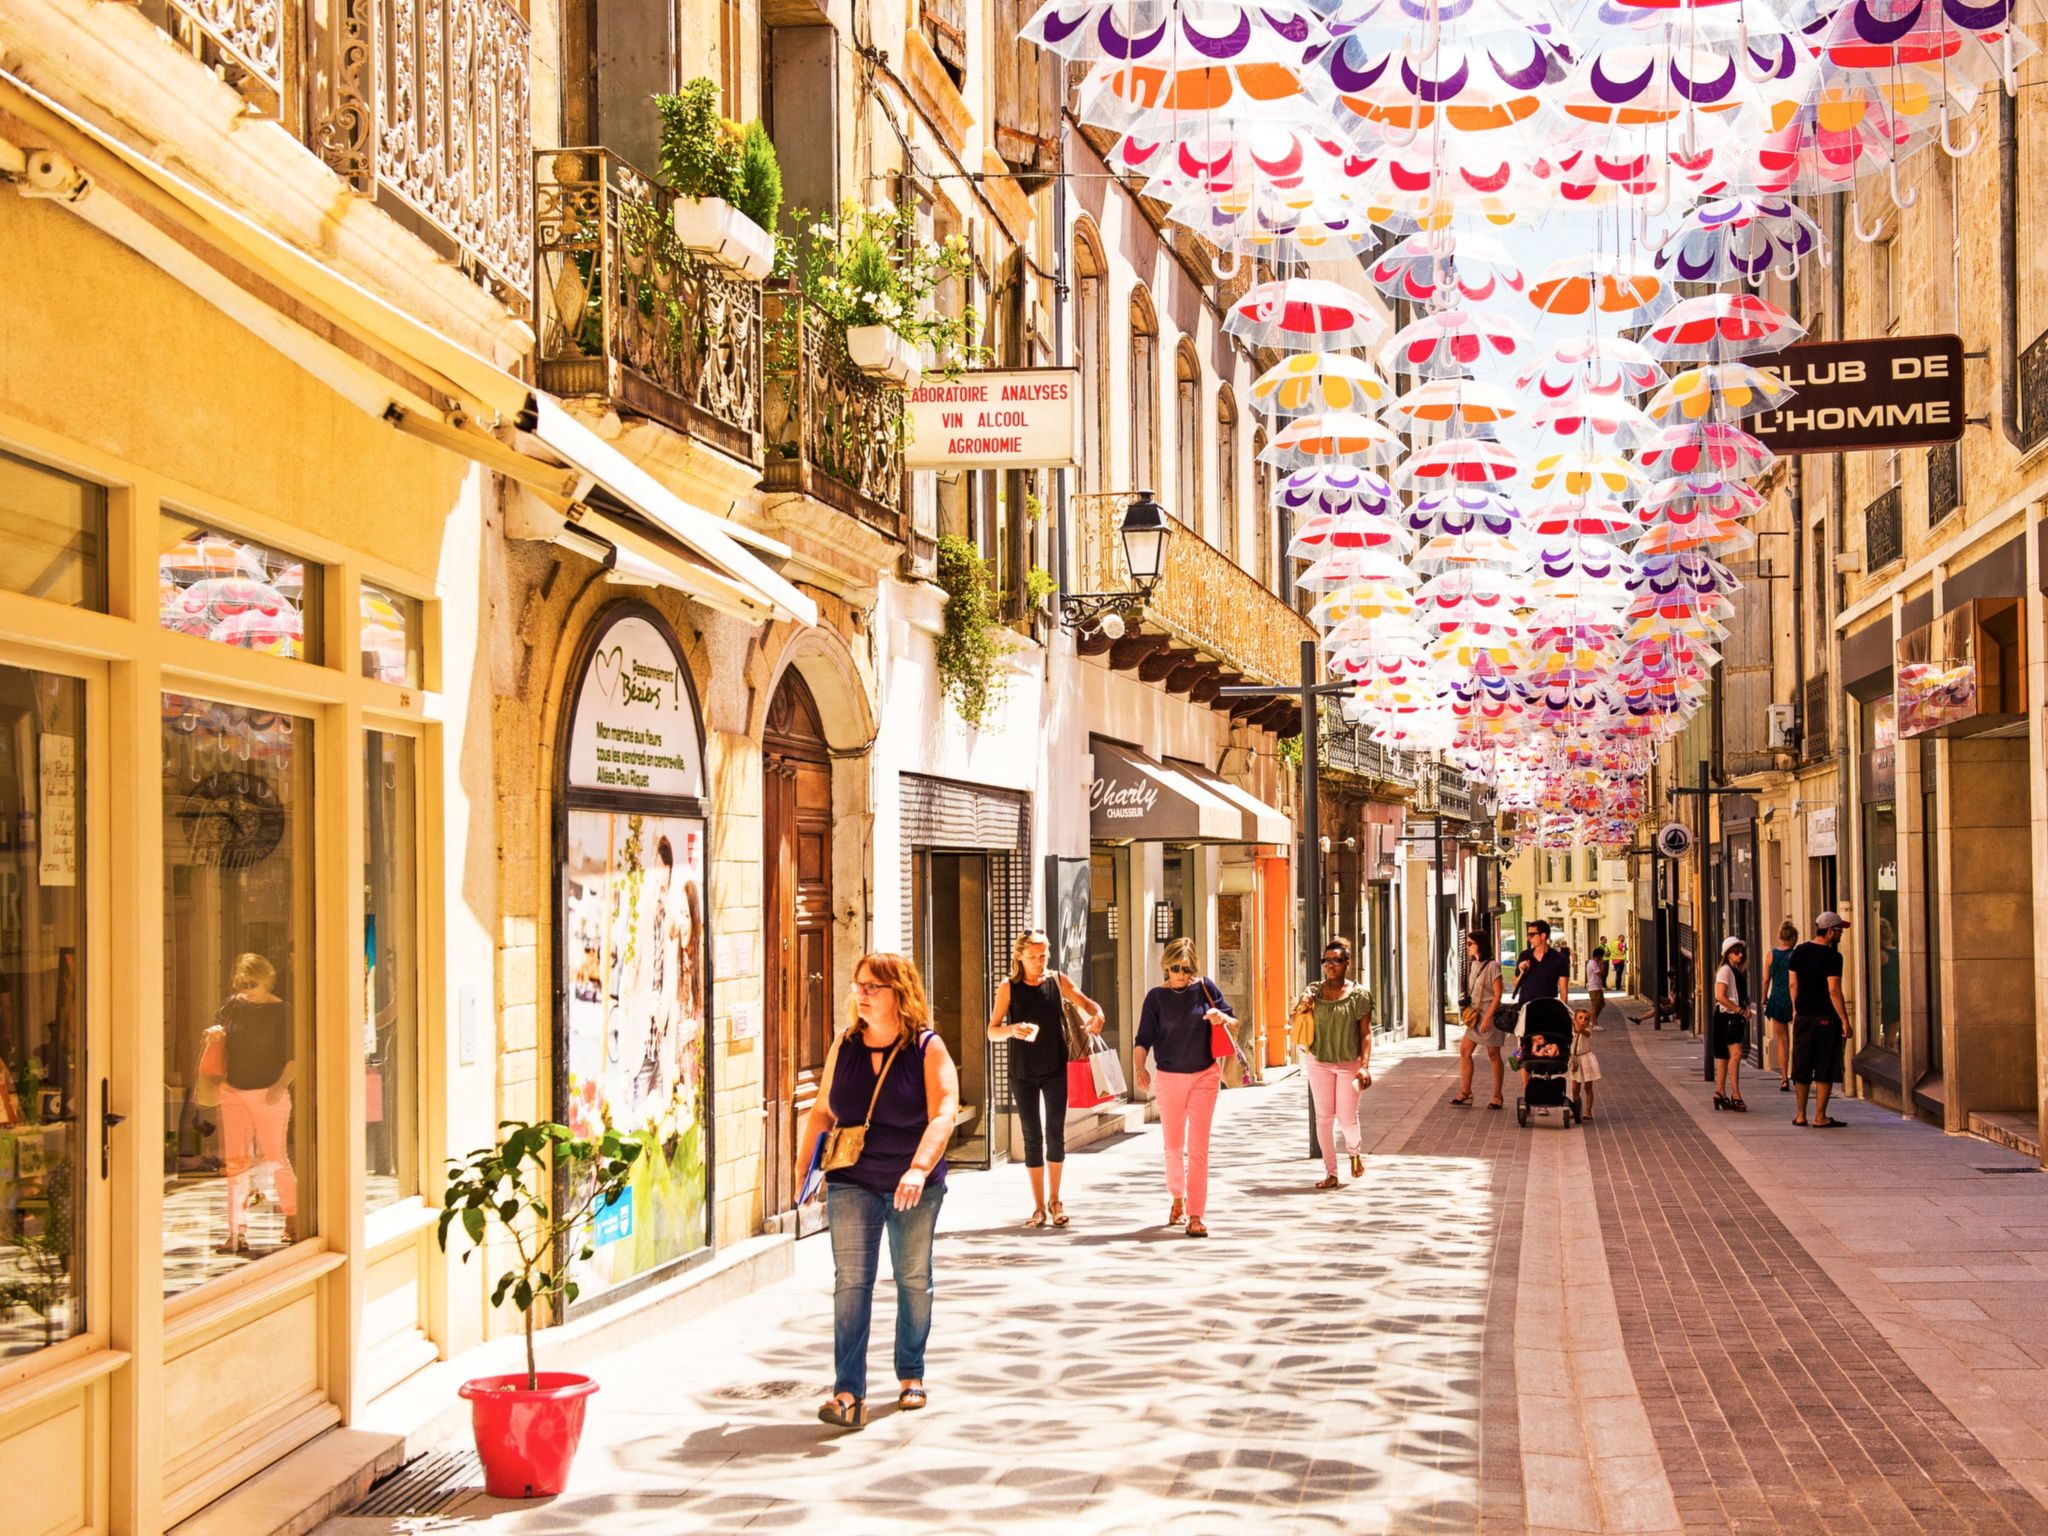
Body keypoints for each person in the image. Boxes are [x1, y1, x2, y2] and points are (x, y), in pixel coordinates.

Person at [804, 953, 961, 1428]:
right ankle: (848, 1392)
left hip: (913, 1184)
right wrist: (804, 1175)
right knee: (851, 1284)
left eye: (874, 986)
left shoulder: (926, 1048)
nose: (862, 994)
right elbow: (821, 1112)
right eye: (859, 985)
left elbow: (944, 1112)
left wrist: (917, 1168)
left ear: (900, 993)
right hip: (852, 1179)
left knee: (913, 1278)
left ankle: (910, 1373)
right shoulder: (844, 1044)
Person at [986, 929, 1105, 1228]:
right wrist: (1013, 1030)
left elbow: (1091, 1006)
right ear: (1019, 957)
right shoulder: (1007, 988)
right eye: (1033, 957)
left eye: (1043, 956)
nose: (1040, 962)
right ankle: (1038, 1206)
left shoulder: (1057, 981)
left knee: (1055, 1133)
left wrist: (1098, 1017)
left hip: (1055, 1068)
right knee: (1031, 1137)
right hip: (1021, 1071)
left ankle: (1056, 1200)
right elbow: (992, 1030)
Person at [1135, 936, 1231, 1238]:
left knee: (1198, 1148)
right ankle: (1178, 1194)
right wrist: (1139, 1067)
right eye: (1176, 968)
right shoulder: (1155, 998)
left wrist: (1221, 1017)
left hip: (1205, 1075)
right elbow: (1143, 1040)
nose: (1182, 975)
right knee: (1174, 1147)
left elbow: (1235, 1021)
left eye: (1187, 970)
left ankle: (1196, 1215)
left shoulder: (1206, 988)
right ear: (1166, 967)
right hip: (1169, 1078)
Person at [203, 952, 298, 1255]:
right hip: (233, 1091)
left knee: (276, 1157)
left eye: (253, 983)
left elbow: (295, 1055)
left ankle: (293, 1218)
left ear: (268, 981)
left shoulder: (283, 1011)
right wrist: (213, 1036)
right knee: (236, 1163)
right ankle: (236, 1232)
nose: (247, 989)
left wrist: (281, 1085)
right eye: (242, 983)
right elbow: (219, 1034)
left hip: (269, 1092)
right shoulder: (233, 1006)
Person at [1289, 939, 1374, 1189]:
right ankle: (1331, 1172)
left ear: (1347, 963)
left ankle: (1354, 1151)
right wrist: (1301, 1006)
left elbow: (1366, 1033)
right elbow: (1294, 1019)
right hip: (1319, 1060)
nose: (1330, 965)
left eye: (1336, 960)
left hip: (1349, 1062)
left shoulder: (1359, 995)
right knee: (1324, 1118)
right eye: (1326, 960)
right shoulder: (1314, 991)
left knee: (1347, 1118)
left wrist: (1365, 1065)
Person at [1789, 913, 1853, 1129]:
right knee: (1825, 1066)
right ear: (1830, 932)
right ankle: (1820, 1117)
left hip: (1803, 1016)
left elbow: (1792, 984)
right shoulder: (1833, 957)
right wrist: (1845, 1020)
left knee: (1802, 1064)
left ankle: (1800, 1115)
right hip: (1825, 1018)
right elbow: (1833, 990)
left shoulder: (1799, 951)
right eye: (1839, 930)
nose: (1841, 933)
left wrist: (1796, 1008)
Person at [1511, 920, 1573, 1088]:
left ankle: (1545, 1088)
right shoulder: (1525, 956)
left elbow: (1563, 990)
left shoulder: (1559, 959)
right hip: (1526, 1011)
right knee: (1525, 1052)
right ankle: (1527, 1091)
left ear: (1543, 936)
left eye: (1532, 934)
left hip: (1548, 1013)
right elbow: (1515, 983)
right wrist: (1522, 971)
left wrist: (1562, 1014)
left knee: (1546, 1051)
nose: (1529, 937)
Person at [1451, 929, 1506, 1109]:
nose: (1467, 947)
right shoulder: (1473, 964)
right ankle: (1466, 1092)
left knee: (1493, 1054)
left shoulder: (1492, 966)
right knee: (1464, 1050)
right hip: (1475, 1016)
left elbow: (1498, 994)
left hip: (1489, 1015)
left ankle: (1497, 1096)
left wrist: (1488, 1017)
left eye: (1470, 944)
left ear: (1479, 945)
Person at [1712, 937, 1752, 1112]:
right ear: (1728, 954)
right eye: (1736, 952)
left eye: (1741, 952)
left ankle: (1720, 1092)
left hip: (1727, 1017)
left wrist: (1745, 1008)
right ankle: (1736, 1094)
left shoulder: (1733, 971)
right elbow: (1720, 996)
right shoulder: (1725, 971)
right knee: (1735, 1055)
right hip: (1728, 1018)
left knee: (1724, 1056)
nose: (1740, 954)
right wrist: (1739, 1010)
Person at [1764, 921, 1797, 1093]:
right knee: (1796, 1039)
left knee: (1782, 1040)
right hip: (1793, 999)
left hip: (1776, 998)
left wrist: (1764, 999)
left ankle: (1784, 1078)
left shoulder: (1771, 955)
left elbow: (1765, 980)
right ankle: (1796, 1074)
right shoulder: (1795, 955)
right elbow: (1796, 981)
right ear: (1793, 938)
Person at [1569, 1005, 1601, 1120]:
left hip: (1586, 1060)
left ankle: (1588, 1111)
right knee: (1574, 1088)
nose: (1583, 1021)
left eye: (1586, 1019)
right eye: (1580, 1018)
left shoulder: (1587, 1030)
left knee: (1588, 1087)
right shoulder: (1570, 1031)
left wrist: (1578, 1027)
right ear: (1574, 1019)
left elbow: (1583, 1032)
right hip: (1575, 1060)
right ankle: (1575, 1108)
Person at [1586, 945, 1609, 1027]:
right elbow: (1599, 974)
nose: (1602, 958)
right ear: (1599, 956)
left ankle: (1593, 1020)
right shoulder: (1593, 963)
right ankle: (1594, 1024)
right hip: (1594, 988)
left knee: (1601, 1004)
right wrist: (1602, 965)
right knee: (1595, 1006)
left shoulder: (1594, 963)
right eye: (1602, 956)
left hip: (1597, 987)